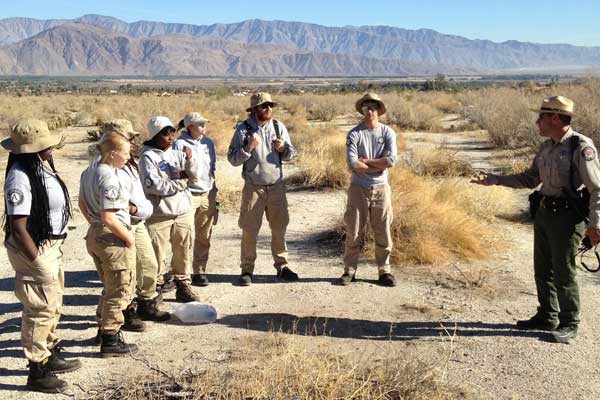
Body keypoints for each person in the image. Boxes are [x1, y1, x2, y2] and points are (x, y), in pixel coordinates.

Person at [471, 95, 600, 344]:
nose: (536, 122)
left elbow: (597, 189)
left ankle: (569, 323)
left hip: (567, 218)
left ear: (554, 117)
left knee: (563, 272)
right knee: (542, 270)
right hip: (544, 214)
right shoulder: (547, 146)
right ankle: (546, 315)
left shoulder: (580, 147)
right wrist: (496, 179)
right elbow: (531, 178)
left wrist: (595, 225)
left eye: (541, 117)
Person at [2, 119, 81, 393]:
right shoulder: (20, 177)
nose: (52, 147)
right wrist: (36, 261)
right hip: (34, 249)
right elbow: (18, 226)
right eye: (45, 144)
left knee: (53, 302)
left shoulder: (37, 167)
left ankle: (49, 351)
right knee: (39, 309)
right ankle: (37, 370)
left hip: (48, 245)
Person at [227, 92, 298, 286]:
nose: (269, 109)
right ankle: (247, 269)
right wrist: (248, 148)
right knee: (250, 230)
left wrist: (284, 149)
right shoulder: (243, 131)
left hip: (276, 186)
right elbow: (233, 159)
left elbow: (291, 154)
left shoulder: (278, 127)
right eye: (264, 106)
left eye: (270, 106)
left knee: (279, 228)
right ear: (255, 110)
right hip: (253, 188)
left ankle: (282, 266)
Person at [79, 132, 139, 357]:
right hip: (112, 236)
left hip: (95, 234)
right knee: (119, 289)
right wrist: (128, 238)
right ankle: (111, 338)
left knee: (109, 285)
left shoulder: (88, 172)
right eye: (125, 153)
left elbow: (82, 204)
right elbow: (108, 216)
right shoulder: (109, 177)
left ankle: (102, 328)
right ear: (113, 153)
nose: (128, 156)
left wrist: (94, 225)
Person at [105, 120, 170, 322]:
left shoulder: (129, 162)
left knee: (149, 264)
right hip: (122, 225)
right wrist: (130, 210)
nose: (133, 142)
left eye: (132, 138)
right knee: (124, 272)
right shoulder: (107, 168)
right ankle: (123, 312)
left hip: (138, 222)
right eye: (128, 138)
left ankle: (147, 303)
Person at [339, 93, 398, 287]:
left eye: (373, 107)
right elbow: (353, 163)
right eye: (366, 108)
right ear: (362, 110)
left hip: (381, 187)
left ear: (379, 110)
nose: (370, 111)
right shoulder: (355, 134)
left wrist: (368, 162)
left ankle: (384, 270)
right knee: (354, 230)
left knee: (383, 230)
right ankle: (349, 270)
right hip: (359, 187)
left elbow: (391, 161)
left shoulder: (387, 132)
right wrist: (377, 165)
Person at [139, 116, 201, 302]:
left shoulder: (175, 152)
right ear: (155, 136)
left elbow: (194, 176)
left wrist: (189, 160)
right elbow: (155, 186)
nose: (170, 138)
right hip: (160, 214)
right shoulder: (147, 156)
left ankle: (182, 284)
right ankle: (155, 289)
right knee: (156, 254)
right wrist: (181, 184)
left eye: (172, 134)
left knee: (183, 250)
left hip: (182, 211)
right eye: (165, 135)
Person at [174, 112, 217, 287]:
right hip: (188, 194)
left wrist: (215, 188)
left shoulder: (208, 143)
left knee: (204, 235)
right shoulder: (179, 144)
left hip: (207, 193)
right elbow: (177, 170)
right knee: (185, 236)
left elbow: (212, 167)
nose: (203, 127)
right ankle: (181, 274)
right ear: (189, 126)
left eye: (204, 124)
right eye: (200, 124)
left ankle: (200, 271)